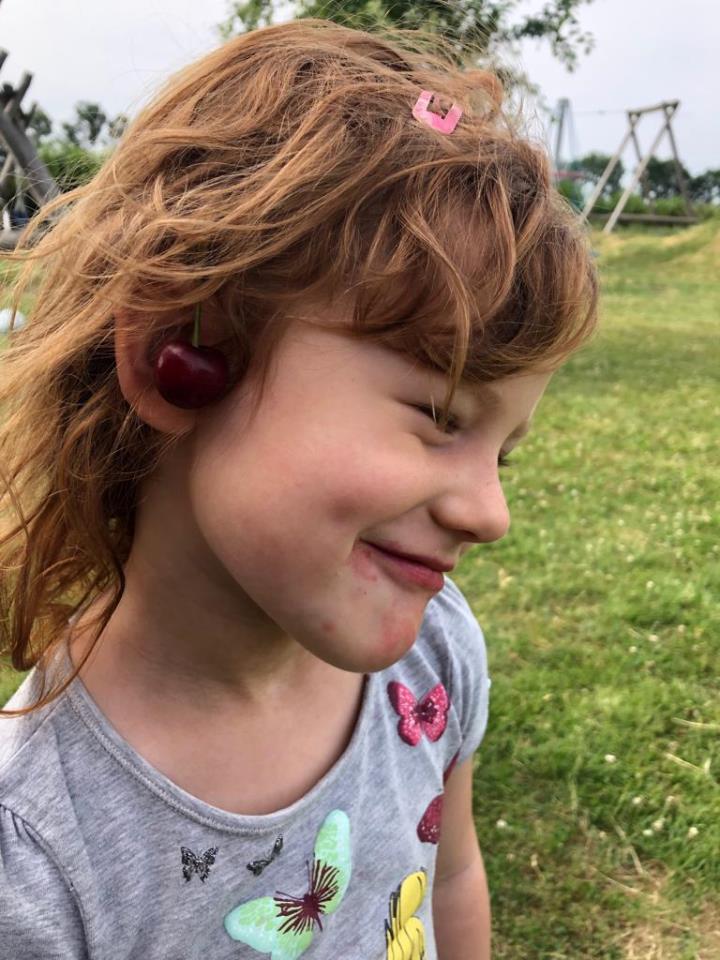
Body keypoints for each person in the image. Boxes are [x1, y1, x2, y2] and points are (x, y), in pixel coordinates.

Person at [0, 18, 598, 960]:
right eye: (440, 415)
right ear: (178, 360)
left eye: (504, 455)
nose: (492, 513)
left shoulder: (435, 658)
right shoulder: (34, 856)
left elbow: (450, 877)